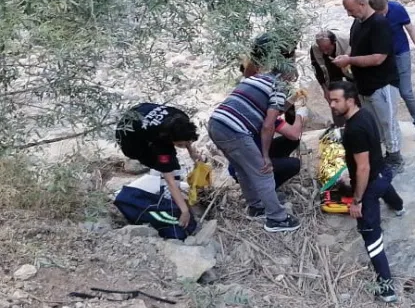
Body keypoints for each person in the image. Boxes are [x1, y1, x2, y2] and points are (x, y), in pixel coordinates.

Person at [327, 80, 402, 303]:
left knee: (370, 235)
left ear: (350, 101)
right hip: (383, 173)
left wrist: (356, 200)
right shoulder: (365, 114)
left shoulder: (354, 130)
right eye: (331, 99)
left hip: (370, 183)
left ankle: (387, 289)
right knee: (383, 185)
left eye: (336, 100)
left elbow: (363, 167)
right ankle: (399, 206)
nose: (332, 104)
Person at [209, 60, 302, 232]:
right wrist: (265, 156)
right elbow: (268, 125)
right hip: (235, 131)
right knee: (263, 171)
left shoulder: (255, 79)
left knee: (242, 168)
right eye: (291, 79)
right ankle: (277, 218)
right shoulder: (278, 86)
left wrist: (292, 100)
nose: (290, 83)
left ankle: (256, 206)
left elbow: (268, 108)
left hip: (217, 124)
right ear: (286, 76)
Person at [333, 0, 404, 170]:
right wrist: (346, 58)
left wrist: (349, 60)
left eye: (350, 9)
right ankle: (380, 156)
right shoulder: (358, 23)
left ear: (362, 4)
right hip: (364, 84)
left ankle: (395, 158)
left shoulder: (380, 24)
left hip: (383, 83)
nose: (349, 14)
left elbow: (378, 57)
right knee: (373, 123)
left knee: (388, 121)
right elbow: (353, 46)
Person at [115, 103, 202, 231]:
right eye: (180, 144)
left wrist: (192, 153)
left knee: (168, 166)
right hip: (130, 140)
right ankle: (169, 202)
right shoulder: (161, 144)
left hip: (138, 113)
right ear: (170, 140)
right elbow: (170, 180)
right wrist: (184, 211)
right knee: (170, 168)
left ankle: (164, 188)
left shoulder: (181, 118)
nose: (184, 145)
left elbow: (186, 137)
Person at [375, 0, 415, 140]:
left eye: (384, 10)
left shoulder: (397, 9)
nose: (383, 14)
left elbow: (410, 29)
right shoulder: (371, 15)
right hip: (382, 58)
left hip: (400, 53)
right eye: (379, 12)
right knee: (385, 94)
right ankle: (388, 129)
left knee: (406, 92)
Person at [228, 106, 307, 192]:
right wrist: (299, 114)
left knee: (291, 141)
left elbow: (292, 134)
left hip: (250, 156)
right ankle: (265, 190)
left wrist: (291, 110)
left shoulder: (254, 111)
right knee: (295, 164)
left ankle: (272, 174)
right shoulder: (267, 117)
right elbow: (294, 133)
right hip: (246, 167)